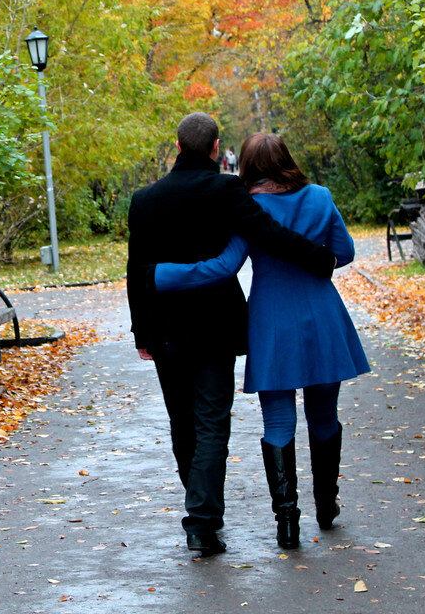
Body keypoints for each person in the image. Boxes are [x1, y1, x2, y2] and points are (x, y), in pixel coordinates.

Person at [126, 113, 337, 557]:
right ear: (216, 147)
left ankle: (203, 514)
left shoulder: (143, 200)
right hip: (214, 330)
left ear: (178, 146)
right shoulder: (226, 190)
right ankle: (202, 521)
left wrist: (140, 330)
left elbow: (134, 269)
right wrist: (319, 259)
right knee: (210, 425)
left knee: (182, 424)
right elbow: (270, 235)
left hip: (164, 331)